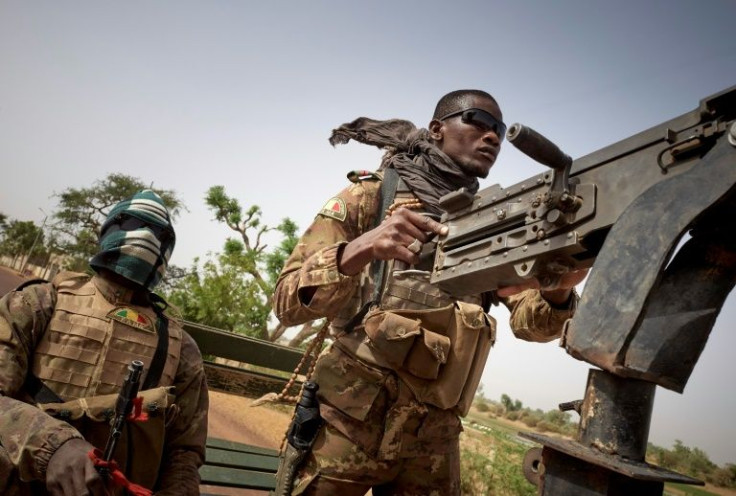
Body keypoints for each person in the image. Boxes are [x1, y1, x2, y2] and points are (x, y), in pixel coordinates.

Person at [272, 89, 587, 495]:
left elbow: (531, 325)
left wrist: (558, 292)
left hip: (434, 443)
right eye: (478, 121)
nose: (491, 136)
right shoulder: (371, 194)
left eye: (499, 129)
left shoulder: (494, 221)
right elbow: (286, 302)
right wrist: (362, 247)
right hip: (345, 428)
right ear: (437, 129)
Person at [0, 190, 209, 496]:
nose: (146, 238)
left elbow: (184, 453)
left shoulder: (182, 349)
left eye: (158, 233)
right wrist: (54, 447)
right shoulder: (38, 304)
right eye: (135, 224)